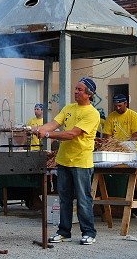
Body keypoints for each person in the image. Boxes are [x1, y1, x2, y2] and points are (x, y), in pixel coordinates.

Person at [33, 77, 100, 245]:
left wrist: (47, 134)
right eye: (76, 88)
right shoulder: (68, 108)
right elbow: (54, 123)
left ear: (89, 94)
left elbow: (71, 134)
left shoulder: (92, 114)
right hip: (63, 160)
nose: (76, 92)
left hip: (81, 162)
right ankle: (64, 232)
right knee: (64, 198)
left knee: (83, 199)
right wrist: (40, 129)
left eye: (80, 90)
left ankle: (89, 232)